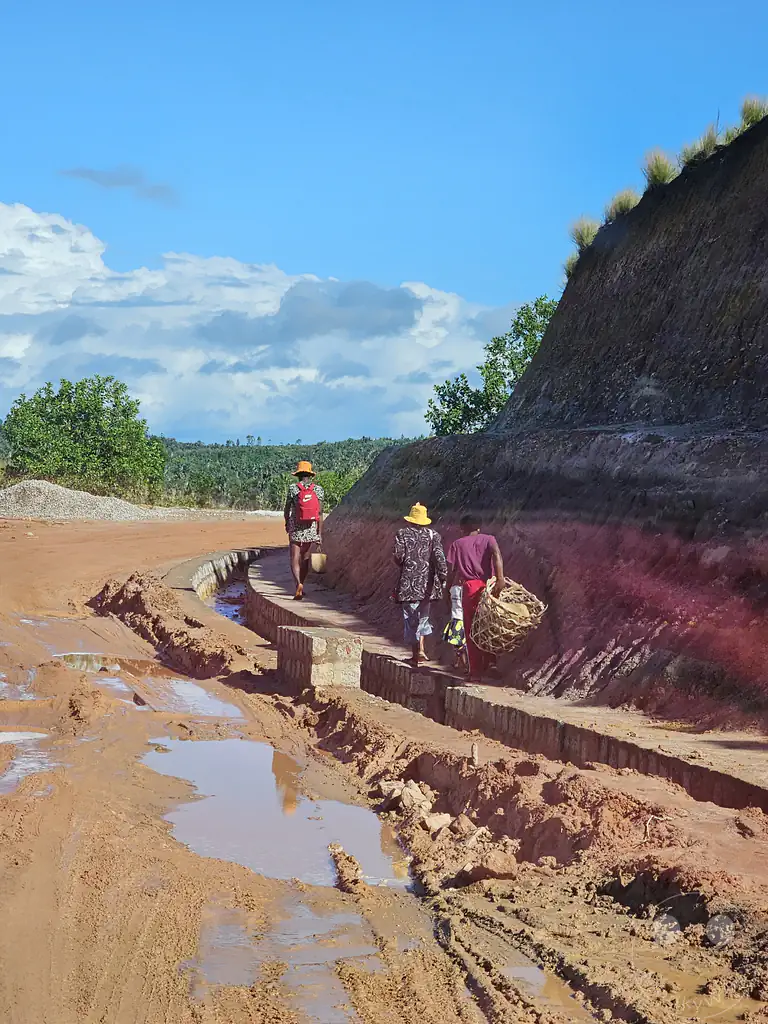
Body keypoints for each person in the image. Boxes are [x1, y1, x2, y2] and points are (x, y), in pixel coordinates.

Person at [446, 514, 504, 682]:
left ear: (462, 529)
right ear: (479, 527)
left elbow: (453, 571)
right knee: (489, 625)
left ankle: (476, 672)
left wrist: (448, 590)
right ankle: (491, 662)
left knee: (472, 631)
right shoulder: (489, 539)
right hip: (489, 588)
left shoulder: (457, 544)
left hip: (470, 588)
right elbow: (497, 555)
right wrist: (500, 578)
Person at [393, 503, 447, 667]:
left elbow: (399, 557)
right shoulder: (433, 535)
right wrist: (443, 577)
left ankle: (416, 653)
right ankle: (421, 650)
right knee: (423, 617)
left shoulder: (402, 534)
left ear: (410, 519)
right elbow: (440, 559)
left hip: (409, 584)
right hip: (428, 586)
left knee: (411, 619)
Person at [284, 461, 324, 601]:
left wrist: (286, 522)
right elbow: (320, 513)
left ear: (298, 475)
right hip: (311, 527)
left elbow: (287, 508)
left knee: (294, 557)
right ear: (310, 474)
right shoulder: (318, 489)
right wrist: (319, 534)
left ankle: (297, 585)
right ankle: (303, 583)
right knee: (305, 556)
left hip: (296, 525)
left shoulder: (293, 489)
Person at [442, 583, 467, 672]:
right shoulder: (465, 590)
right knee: (461, 646)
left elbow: (448, 603)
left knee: (458, 646)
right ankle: (460, 664)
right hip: (463, 620)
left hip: (456, 620)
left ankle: (462, 665)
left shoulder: (452, 589)